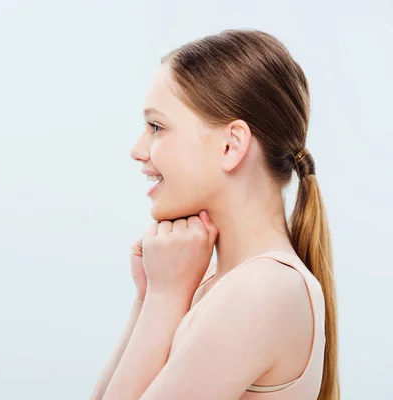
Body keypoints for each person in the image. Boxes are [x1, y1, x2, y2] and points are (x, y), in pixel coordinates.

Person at [89, 29, 339, 400]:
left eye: (156, 126)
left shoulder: (262, 289)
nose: (138, 150)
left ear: (231, 144)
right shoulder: (224, 284)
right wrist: (149, 297)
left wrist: (165, 298)